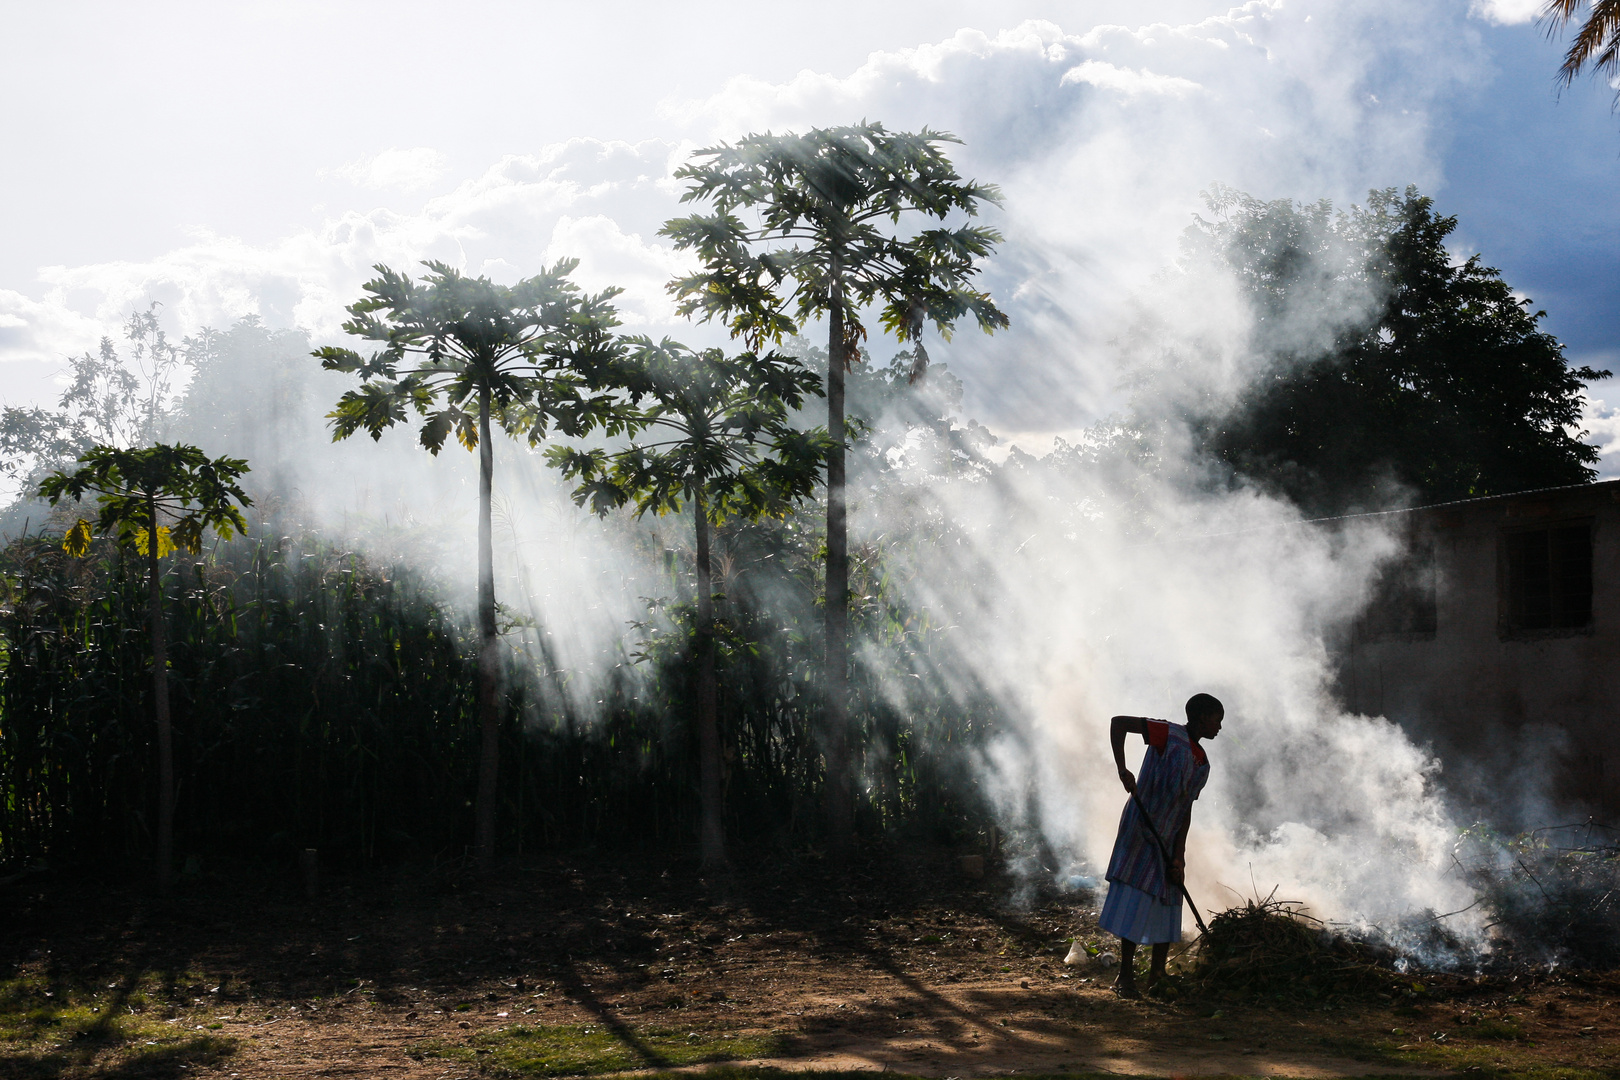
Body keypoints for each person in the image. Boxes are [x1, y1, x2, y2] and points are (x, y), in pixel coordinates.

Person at [1099, 693, 1224, 996]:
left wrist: (1179, 856)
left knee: (1168, 900)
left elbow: (1186, 809)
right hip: (1141, 829)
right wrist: (1122, 769)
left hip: (1168, 837)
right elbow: (1118, 724)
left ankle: (1157, 976)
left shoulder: (1202, 763)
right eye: (1215, 720)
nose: (1219, 726)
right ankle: (1124, 977)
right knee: (1137, 895)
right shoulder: (1167, 733)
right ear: (1199, 718)